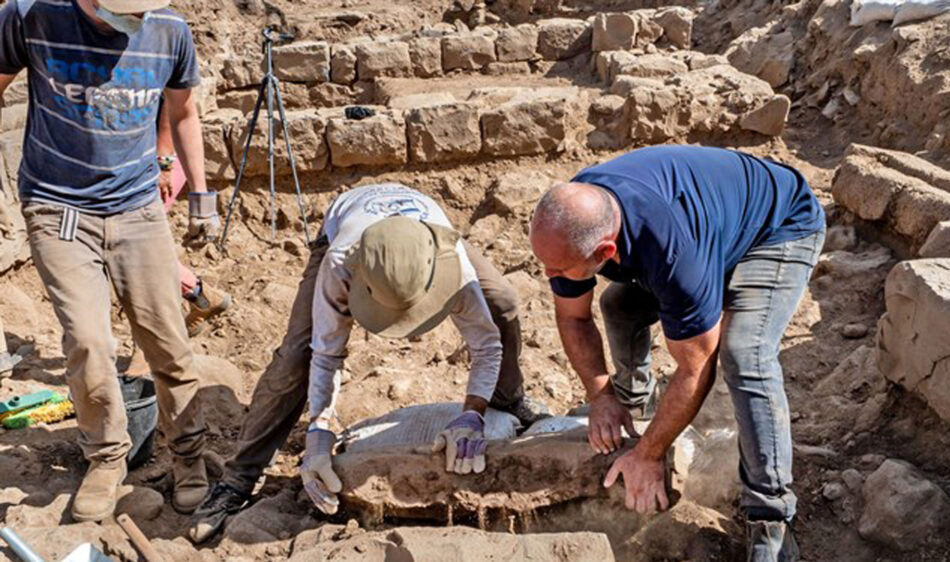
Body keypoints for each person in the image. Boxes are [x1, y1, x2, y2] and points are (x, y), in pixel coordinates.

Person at [188, 183, 550, 543]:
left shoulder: (449, 258)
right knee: (296, 357)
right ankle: (239, 479)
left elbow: (486, 344)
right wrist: (318, 431)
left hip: (421, 235)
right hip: (348, 222)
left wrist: (472, 413)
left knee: (501, 302)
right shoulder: (341, 261)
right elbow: (326, 352)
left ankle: (507, 397)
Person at [529, 146, 825, 562]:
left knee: (744, 354)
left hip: (778, 225)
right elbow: (574, 319)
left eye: (559, 270)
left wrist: (650, 454)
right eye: (546, 264)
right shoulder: (577, 219)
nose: (548, 276)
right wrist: (601, 397)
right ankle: (633, 401)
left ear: (605, 253)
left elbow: (695, 366)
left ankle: (771, 517)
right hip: (708, 224)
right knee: (621, 307)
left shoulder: (672, 253)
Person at [0, 0, 219, 521]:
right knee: (89, 341)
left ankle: (187, 455)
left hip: (138, 208)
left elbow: (182, 109)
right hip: (58, 208)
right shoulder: (31, 17)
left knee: (166, 338)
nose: (136, 21)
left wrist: (201, 197)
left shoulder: (169, 28)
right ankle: (106, 457)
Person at [124, 103, 232, 375]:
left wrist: (163, 162)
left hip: (159, 160)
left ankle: (146, 350)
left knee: (137, 251)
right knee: (136, 249)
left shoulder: (151, 61)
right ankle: (200, 294)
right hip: (132, 162)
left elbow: (173, 101)